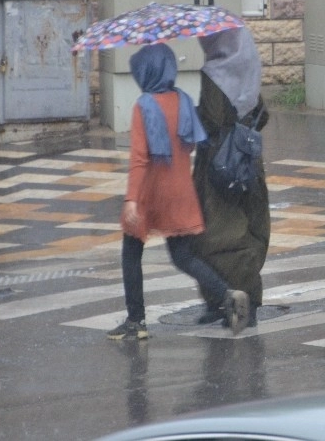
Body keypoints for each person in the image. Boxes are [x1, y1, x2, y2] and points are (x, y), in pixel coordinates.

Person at [107, 43, 250, 340]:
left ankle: (136, 321)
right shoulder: (183, 101)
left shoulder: (143, 106)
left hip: (149, 194)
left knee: (131, 255)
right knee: (183, 256)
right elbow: (191, 144)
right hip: (181, 192)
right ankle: (227, 295)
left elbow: (139, 159)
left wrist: (131, 200)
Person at [192, 27, 271, 328]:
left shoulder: (214, 72)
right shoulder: (248, 69)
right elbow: (262, 114)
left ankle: (225, 300)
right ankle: (245, 298)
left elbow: (212, 119)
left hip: (218, 164)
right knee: (248, 228)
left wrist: (194, 115)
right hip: (247, 161)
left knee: (218, 232)